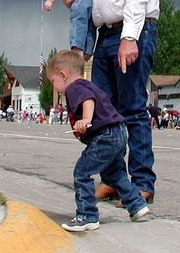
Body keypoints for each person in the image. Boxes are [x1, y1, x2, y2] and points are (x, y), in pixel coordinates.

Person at [63, 0, 159, 205]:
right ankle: (114, 180)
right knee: (106, 113)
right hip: (106, 34)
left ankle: (143, 182)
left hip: (134, 31)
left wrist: (130, 37)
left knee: (132, 108)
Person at [46, 50, 150, 232]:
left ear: (63, 74)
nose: (54, 87)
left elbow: (88, 100)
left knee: (81, 172)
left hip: (105, 136)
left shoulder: (74, 88)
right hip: (118, 132)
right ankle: (137, 205)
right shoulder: (87, 84)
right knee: (114, 174)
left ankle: (87, 215)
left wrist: (86, 120)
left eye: (53, 82)